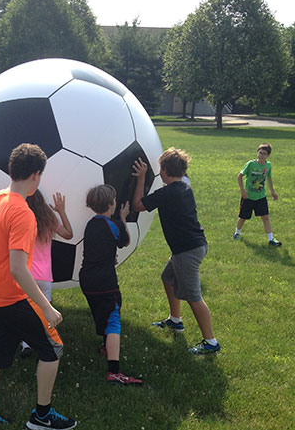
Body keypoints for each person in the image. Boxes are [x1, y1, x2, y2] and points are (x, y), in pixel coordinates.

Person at [0, 143, 77, 430]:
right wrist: (46, 307)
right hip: (12, 299)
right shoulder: (22, 213)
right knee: (53, 349)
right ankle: (42, 415)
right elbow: (17, 269)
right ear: (36, 174)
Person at [131, 148, 220, 355]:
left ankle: (211, 342)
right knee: (167, 278)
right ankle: (175, 320)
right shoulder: (183, 186)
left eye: (160, 168)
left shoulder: (167, 193)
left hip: (187, 251)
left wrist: (141, 178)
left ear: (164, 170)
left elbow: (137, 205)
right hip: (193, 246)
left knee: (194, 297)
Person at [79, 184, 143, 385]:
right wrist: (123, 217)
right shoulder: (113, 225)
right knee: (113, 318)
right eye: (114, 201)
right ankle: (114, 372)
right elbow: (125, 241)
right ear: (110, 204)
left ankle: (105, 346)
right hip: (104, 281)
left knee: (101, 312)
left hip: (86, 279)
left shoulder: (90, 224)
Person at [20, 189, 73, 358]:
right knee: (45, 312)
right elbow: (68, 234)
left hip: (26, 276)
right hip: (44, 277)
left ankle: (26, 344)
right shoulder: (49, 220)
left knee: (26, 311)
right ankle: (48, 342)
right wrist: (61, 211)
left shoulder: (21, 219)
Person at [232, 143, 281, 246]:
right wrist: (243, 191)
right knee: (243, 217)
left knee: (265, 217)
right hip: (248, 197)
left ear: (268, 155)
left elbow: (269, 178)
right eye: (260, 152)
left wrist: (272, 191)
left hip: (261, 197)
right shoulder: (250, 164)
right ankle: (237, 233)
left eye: (264, 154)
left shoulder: (268, 165)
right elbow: (239, 176)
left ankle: (271, 239)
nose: (261, 155)